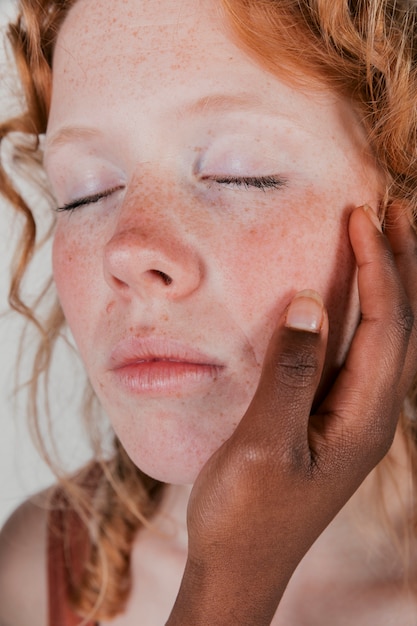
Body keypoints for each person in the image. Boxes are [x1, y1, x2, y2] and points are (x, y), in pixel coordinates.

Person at [0, 0, 416, 623]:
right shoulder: (37, 571)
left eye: (241, 174)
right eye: (86, 190)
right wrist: (228, 583)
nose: (128, 250)